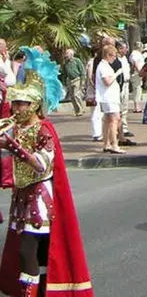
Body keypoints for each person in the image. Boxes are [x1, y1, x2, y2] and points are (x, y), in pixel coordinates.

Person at [0, 47, 93, 297]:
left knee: (27, 251)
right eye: (15, 103)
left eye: (22, 104)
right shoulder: (15, 129)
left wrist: (13, 147)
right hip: (22, 197)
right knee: (37, 252)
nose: (16, 108)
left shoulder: (44, 130)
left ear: (35, 104)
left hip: (40, 199)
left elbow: (42, 165)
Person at [95, 45, 125, 155]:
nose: (114, 59)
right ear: (108, 55)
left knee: (108, 120)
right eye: (113, 56)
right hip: (108, 97)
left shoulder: (105, 66)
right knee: (114, 120)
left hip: (108, 97)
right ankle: (114, 145)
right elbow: (107, 81)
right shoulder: (103, 66)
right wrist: (116, 74)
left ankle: (106, 144)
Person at [116, 41, 136, 145]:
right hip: (120, 84)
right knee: (118, 109)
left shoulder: (125, 59)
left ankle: (124, 128)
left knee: (124, 108)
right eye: (124, 48)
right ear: (119, 49)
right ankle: (118, 130)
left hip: (126, 84)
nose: (126, 50)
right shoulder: (116, 59)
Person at [61, 49, 86, 117]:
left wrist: (83, 80)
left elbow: (82, 70)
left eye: (67, 54)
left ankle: (80, 110)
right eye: (65, 54)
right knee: (72, 97)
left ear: (71, 54)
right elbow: (64, 73)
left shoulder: (77, 61)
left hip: (77, 79)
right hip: (69, 80)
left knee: (76, 95)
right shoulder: (65, 63)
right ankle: (77, 110)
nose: (66, 55)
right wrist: (64, 82)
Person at [129, 41, 145, 113]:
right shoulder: (134, 54)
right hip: (136, 74)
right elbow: (136, 63)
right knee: (137, 90)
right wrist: (140, 72)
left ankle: (138, 106)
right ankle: (136, 107)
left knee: (139, 90)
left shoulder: (138, 54)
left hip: (139, 73)